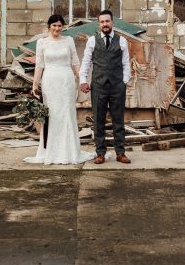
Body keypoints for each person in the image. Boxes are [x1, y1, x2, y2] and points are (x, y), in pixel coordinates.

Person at [25, 14, 94, 165]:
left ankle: (69, 151)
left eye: (59, 26)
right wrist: (35, 85)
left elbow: (75, 61)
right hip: (49, 81)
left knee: (66, 114)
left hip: (66, 81)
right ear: (49, 26)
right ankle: (51, 151)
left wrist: (82, 79)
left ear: (63, 27)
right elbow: (40, 65)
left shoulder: (68, 40)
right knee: (52, 115)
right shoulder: (41, 42)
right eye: (54, 25)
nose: (57, 28)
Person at [78, 10, 132, 164]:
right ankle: (100, 153)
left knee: (118, 120)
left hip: (117, 86)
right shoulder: (92, 41)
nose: (105, 24)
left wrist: (124, 81)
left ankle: (120, 152)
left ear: (112, 22)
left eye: (107, 21)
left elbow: (126, 63)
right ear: (99, 24)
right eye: (102, 22)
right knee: (99, 120)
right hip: (98, 85)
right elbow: (86, 62)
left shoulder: (122, 41)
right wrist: (83, 80)